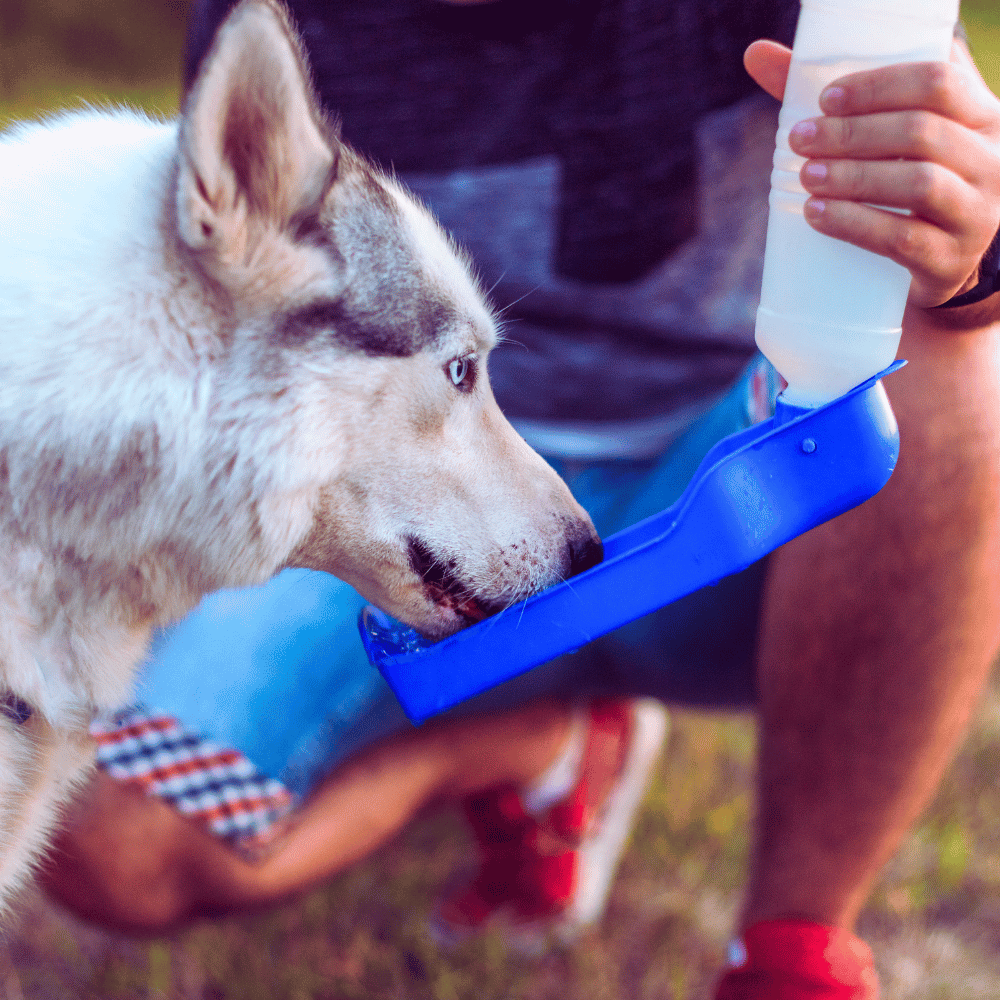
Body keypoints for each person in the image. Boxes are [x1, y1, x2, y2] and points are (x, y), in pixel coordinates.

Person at [41, 1, 1000, 996]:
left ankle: (790, 950)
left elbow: (969, 252)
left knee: (945, 339)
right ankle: (535, 748)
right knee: (99, 829)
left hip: (736, 483)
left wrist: (976, 254)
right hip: (411, 500)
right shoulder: (285, 26)